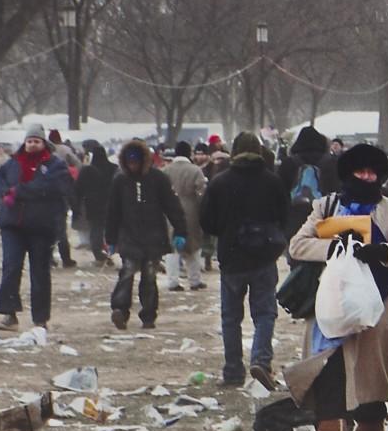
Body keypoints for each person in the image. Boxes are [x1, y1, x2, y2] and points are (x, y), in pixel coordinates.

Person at [280, 141, 388, 431]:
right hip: (329, 305)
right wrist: (338, 246)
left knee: (372, 376)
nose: (367, 176)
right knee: (327, 374)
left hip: (374, 305)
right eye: (361, 171)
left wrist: (380, 251)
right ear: (348, 173)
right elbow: (298, 245)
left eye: (373, 171)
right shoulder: (325, 207)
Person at [202, 132, 289, 386]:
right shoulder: (271, 181)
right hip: (264, 257)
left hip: (231, 257)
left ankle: (233, 371)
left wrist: (225, 231)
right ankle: (261, 361)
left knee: (231, 317)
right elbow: (284, 214)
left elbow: (207, 220)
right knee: (264, 313)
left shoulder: (220, 182)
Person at [0, 127, 70, 331]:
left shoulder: (55, 165)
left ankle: (40, 318)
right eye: (29, 141)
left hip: (41, 226)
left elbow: (53, 187)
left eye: (36, 140)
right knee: (10, 267)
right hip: (13, 225)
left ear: (44, 143)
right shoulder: (12, 163)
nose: (32, 144)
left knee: (40, 272)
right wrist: (4, 194)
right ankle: (9, 314)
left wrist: (18, 192)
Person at [104, 140, 184, 329]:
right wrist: (111, 238)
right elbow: (112, 211)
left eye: (136, 162)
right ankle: (120, 311)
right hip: (129, 236)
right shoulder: (120, 181)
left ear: (143, 161)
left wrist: (180, 230)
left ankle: (148, 315)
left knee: (149, 276)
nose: (133, 166)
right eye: (129, 162)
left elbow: (172, 206)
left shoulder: (158, 179)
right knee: (127, 273)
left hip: (153, 236)